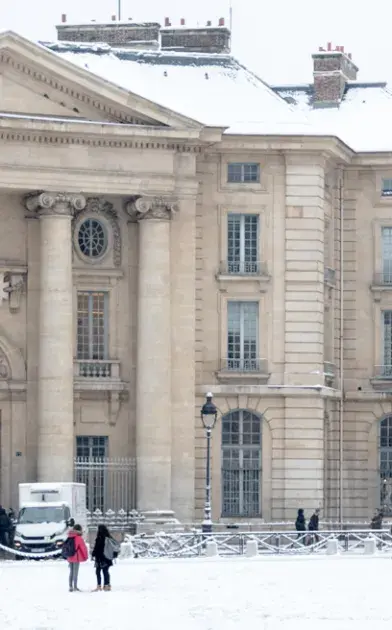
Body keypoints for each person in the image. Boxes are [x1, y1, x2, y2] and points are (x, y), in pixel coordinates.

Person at [92, 524, 119, 592]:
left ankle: (99, 586)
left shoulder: (100, 537)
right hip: (106, 557)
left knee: (98, 572)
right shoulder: (108, 537)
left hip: (100, 557)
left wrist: (93, 554)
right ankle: (107, 586)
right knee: (105, 571)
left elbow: (97, 548)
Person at [66, 524, 88, 592]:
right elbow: (83, 548)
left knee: (71, 572)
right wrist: (85, 556)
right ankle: (75, 587)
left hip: (70, 557)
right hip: (76, 557)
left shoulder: (69, 536)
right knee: (75, 572)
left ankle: (70, 586)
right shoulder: (79, 538)